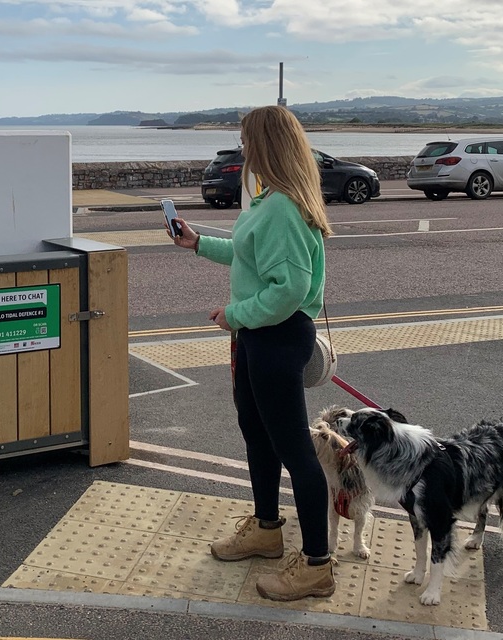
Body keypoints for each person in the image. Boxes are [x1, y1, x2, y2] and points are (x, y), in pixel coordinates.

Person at [168, 105, 335, 602]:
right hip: (261, 337)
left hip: (277, 337)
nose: (241, 148)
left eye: (246, 140)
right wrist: (198, 243)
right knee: (258, 434)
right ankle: (265, 530)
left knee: (295, 452)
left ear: (265, 144)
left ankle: (317, 567)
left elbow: (290, 290)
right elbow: (250, 256)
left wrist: (236, 315)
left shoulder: (281, 205)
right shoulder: (269, 201)